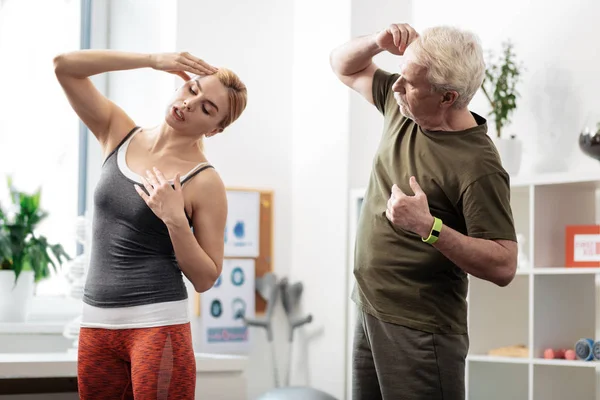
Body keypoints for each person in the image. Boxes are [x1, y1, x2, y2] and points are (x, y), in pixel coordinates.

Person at [330, 23, 518, 400]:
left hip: (421, 330)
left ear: (447, 97)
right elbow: (344, 67)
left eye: (410, 83)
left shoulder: (478, 165)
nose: (396, 87)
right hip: (370, 307)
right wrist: (376, 43)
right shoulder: (402, 106)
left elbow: (503, 265)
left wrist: (429, 227)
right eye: (399, 76)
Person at [54, 49, 247, 399]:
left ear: (215, 129)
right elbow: (64, 67)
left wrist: (175, 220)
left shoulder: (204, 180)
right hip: (95, 323)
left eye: (207, 108)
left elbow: (206, 277)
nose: (191, 104)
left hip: (157, 326)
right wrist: (152, 60)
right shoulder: (118, 132)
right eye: (192, 90)